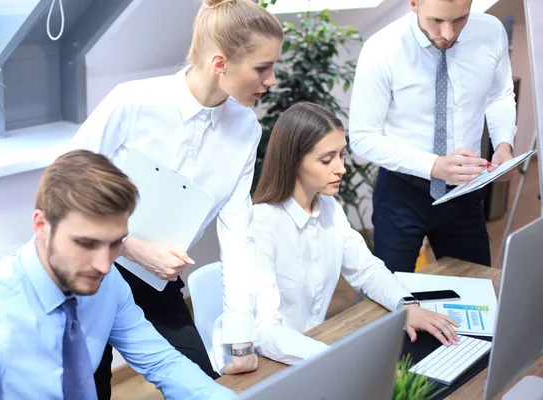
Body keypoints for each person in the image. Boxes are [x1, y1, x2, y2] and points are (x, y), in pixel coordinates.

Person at [69, 0, 284, 392]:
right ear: (220, 63)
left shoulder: (246, 129)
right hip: (88, 273)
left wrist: (240, 336)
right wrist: (131, 247)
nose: (271, 80)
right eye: (261, 67)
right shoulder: (132, 102)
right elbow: (64, 184)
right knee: (88, 387)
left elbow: (238, 236)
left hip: (155, 283)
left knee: (203, 387)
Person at [0, 150, 236, 400]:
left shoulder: (109, 284)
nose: (104, 265)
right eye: (86, 243)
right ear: (41, 225)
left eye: (115, 243)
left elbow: (162, 362)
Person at [210, 102, 460, 369]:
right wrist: (332, 357)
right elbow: (266, 332)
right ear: (293, 161)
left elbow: (367, 271)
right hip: (272, 362)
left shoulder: (329, 207)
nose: (341, 168)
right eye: (327, 159)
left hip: (314, 352)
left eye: (342, 155)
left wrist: (406, 305)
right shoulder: (262, 223)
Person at [348, 0, 517, 274]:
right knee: (394, 299)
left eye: (460, 19)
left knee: (474, 289)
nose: (449, 33)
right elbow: (362, 136)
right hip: (401, 193)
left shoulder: (491, 31)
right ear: (414, 4)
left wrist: (503, 145)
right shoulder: (382, 48)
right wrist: (434, 166)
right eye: (436, 21)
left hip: (466, 192)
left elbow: (499, 95)